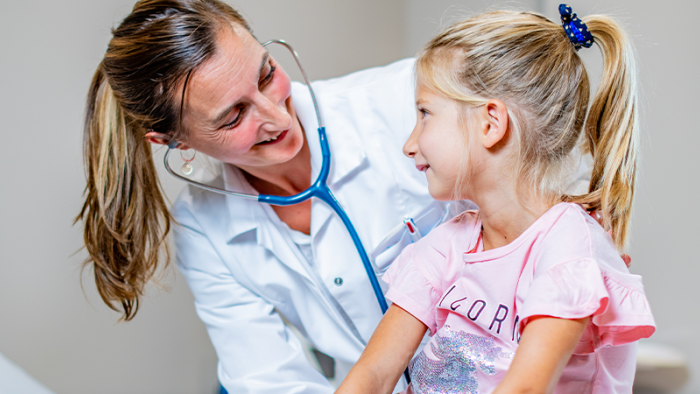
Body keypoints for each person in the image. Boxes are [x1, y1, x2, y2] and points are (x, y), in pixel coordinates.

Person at [77, 0, 441, 392]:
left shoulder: (410, 100)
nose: (278, 118)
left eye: (266, 75)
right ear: (173, 140)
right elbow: (269, 380)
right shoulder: (202, 225)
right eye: (234, 115)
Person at [336, 6, 656, 394]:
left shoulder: (568, 249)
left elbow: (525, 387)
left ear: (491, 123)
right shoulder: (449, 244)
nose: (410, 144)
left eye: (425, 114)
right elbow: (373, 374)